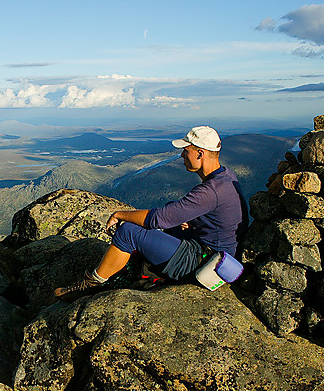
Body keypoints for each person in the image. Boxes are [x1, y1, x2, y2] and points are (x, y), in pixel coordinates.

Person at [54, 125, 248, 302]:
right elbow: (221, 218)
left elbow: (159, 219)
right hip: (217, 253)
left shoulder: (210, 191)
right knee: (170, 213)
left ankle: (90, 285)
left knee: (128, 230)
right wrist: (195, 221)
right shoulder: (226, 176)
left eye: (186, 150)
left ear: (200, 153)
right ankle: (135, 270)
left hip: (202, 261)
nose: (181, 155)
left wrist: (119, 214)